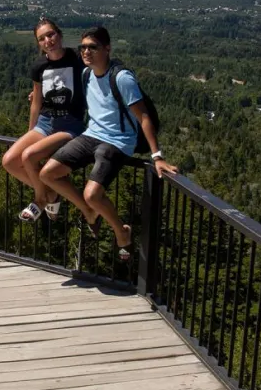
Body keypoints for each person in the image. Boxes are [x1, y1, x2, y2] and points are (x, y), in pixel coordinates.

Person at [40, 27, 178, 260]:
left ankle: (121, 231)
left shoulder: (122, 78)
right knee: (48, 174)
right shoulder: (87, 74)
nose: (86, 52)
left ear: (107, 48)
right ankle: (88, 212)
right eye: (83, 47)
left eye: (92, 47)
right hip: (91, 134)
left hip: (118, 140)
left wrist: (157, 156)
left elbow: (143, 117)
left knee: (92, 194)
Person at [1, 18, 87, 222]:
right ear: (38, 44)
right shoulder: (39, 66)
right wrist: (31, 131)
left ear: (59, 34)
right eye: (42, 38)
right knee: (9, 161)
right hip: (45, 122)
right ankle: (51, 192)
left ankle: (40, 200)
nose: (48, 40)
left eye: (51, 34)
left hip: (70, 124)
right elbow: (36, 102)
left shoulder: (78, 58)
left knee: (29, 156)